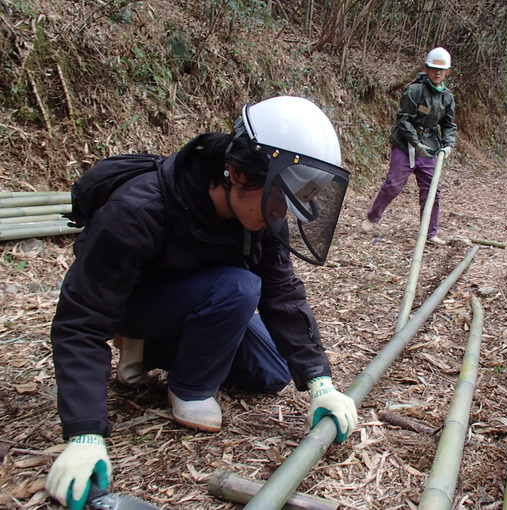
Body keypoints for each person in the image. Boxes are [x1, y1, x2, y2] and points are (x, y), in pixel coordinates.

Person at [44, 96, 358, 510]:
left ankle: (151, 350)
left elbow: (282, 294)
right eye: (279, 198)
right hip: (137, 304)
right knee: (240, 286)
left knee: (272, 371)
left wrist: (320, 382)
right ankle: (186, 386)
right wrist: (84, 434)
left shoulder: (263, 215)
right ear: (238, 172)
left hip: (205, 299)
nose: (283, 213)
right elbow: (80, 321)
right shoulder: (137, 210)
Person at [362, 47, 457, 244]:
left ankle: (430, 233)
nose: (437, 73)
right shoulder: (414, 90)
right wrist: (416, 143)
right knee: (393, 185)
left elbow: (449, 124)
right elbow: (403, 120)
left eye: (441, 70)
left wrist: (448, 145)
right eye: (433, 69)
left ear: (447, 72)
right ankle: (373, 216)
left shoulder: (446, 96)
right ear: (426, 69)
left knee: (432, 190)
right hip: (406, 144)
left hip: (430, 146)